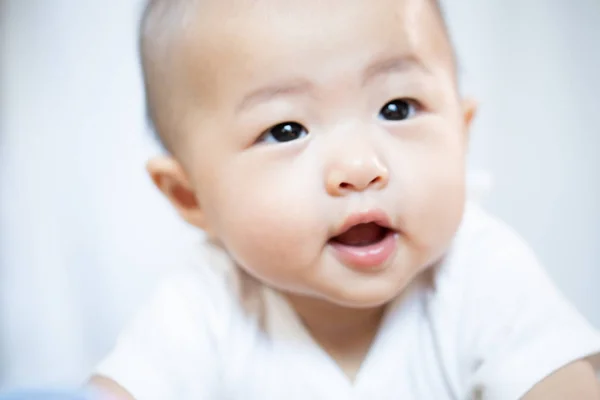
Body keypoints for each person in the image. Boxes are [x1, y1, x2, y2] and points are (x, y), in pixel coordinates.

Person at [89, 0, 600, 398]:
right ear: (190, 196)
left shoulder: (480, 274)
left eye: (397, 108)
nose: (359, 168)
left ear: (461, 137)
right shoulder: (204, 307)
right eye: (286, 130)